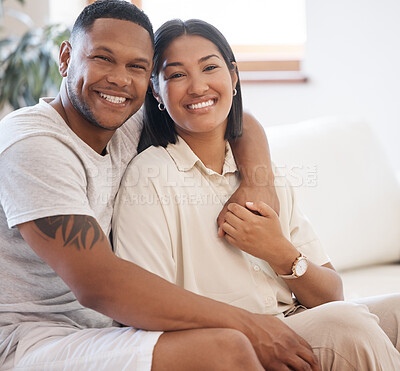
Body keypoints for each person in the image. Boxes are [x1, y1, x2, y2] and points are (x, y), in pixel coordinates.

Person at [0, 1, 326, 370]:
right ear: (65, 58)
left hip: (111, 331)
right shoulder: (32, 143)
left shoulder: (122, 119)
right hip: (31, 337)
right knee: (227, 348)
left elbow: (235, 118)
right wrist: (251, 325)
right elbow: (98, 283)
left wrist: (256, 182)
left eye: (137, 67)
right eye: (103, 58)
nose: (120, 79)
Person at [113, 18, 400, 370]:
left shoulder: (262, 173)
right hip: (235, 341)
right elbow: (147, 309)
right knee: (348, 327)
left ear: (233, 77)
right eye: (176, 75)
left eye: (210, 67)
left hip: (296, 319)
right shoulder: (150, 177)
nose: (198, 86)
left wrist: (279, 252)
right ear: (156, 92)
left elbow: (331, 295)